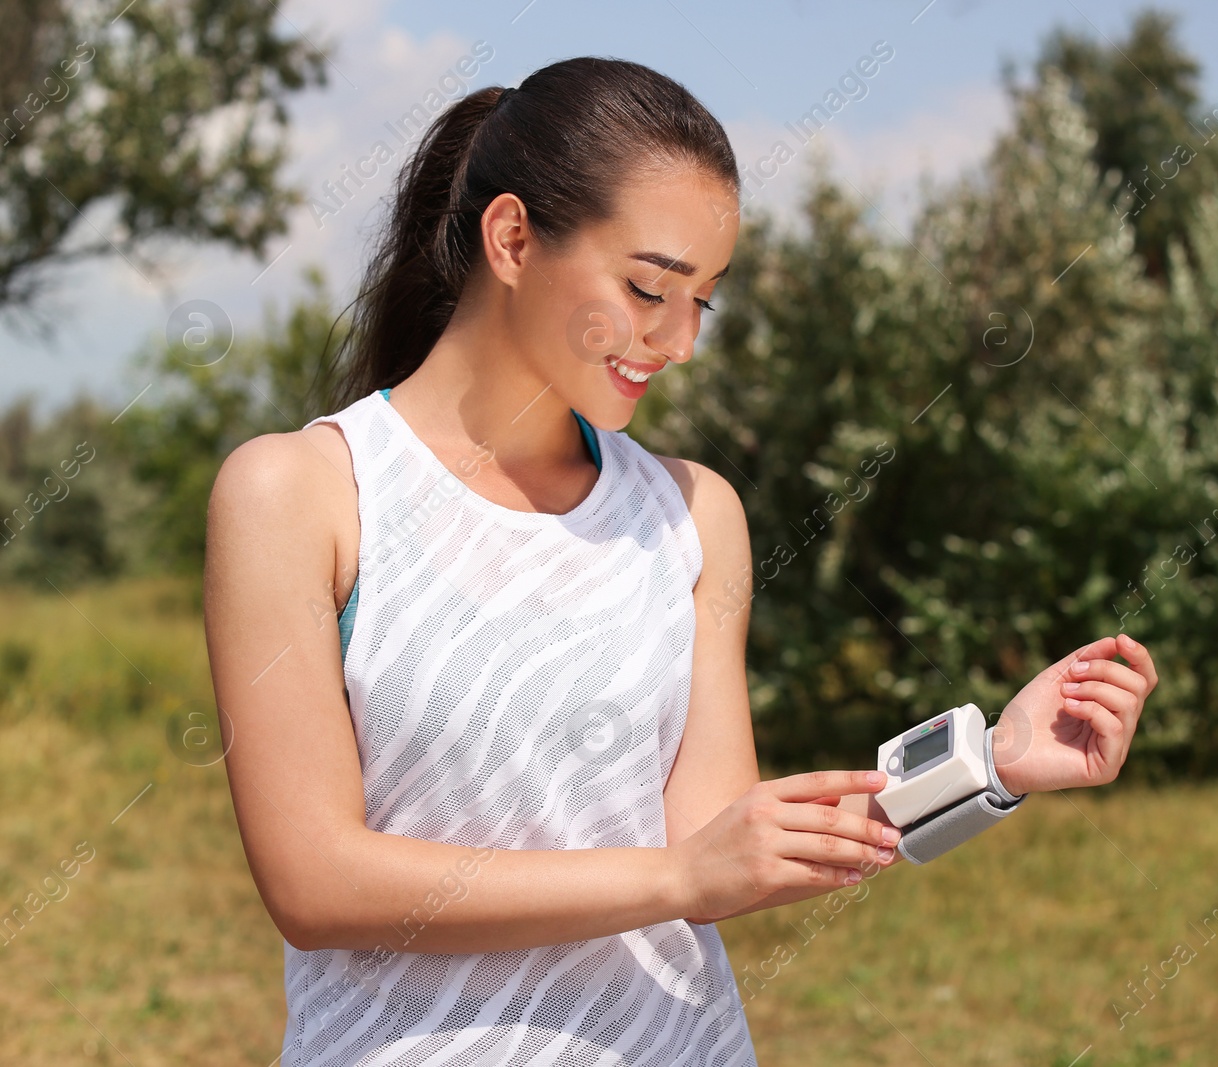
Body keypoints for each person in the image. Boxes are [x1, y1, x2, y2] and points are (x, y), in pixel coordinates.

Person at [202, 56, 1159, 1067]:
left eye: (704, 298)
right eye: (649, 286)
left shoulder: (695, 513)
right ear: (513, 238)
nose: (680, 340)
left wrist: (989, 766)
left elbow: (723, 839)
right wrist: (675, 879)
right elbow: (314, 882)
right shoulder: (302, 492)